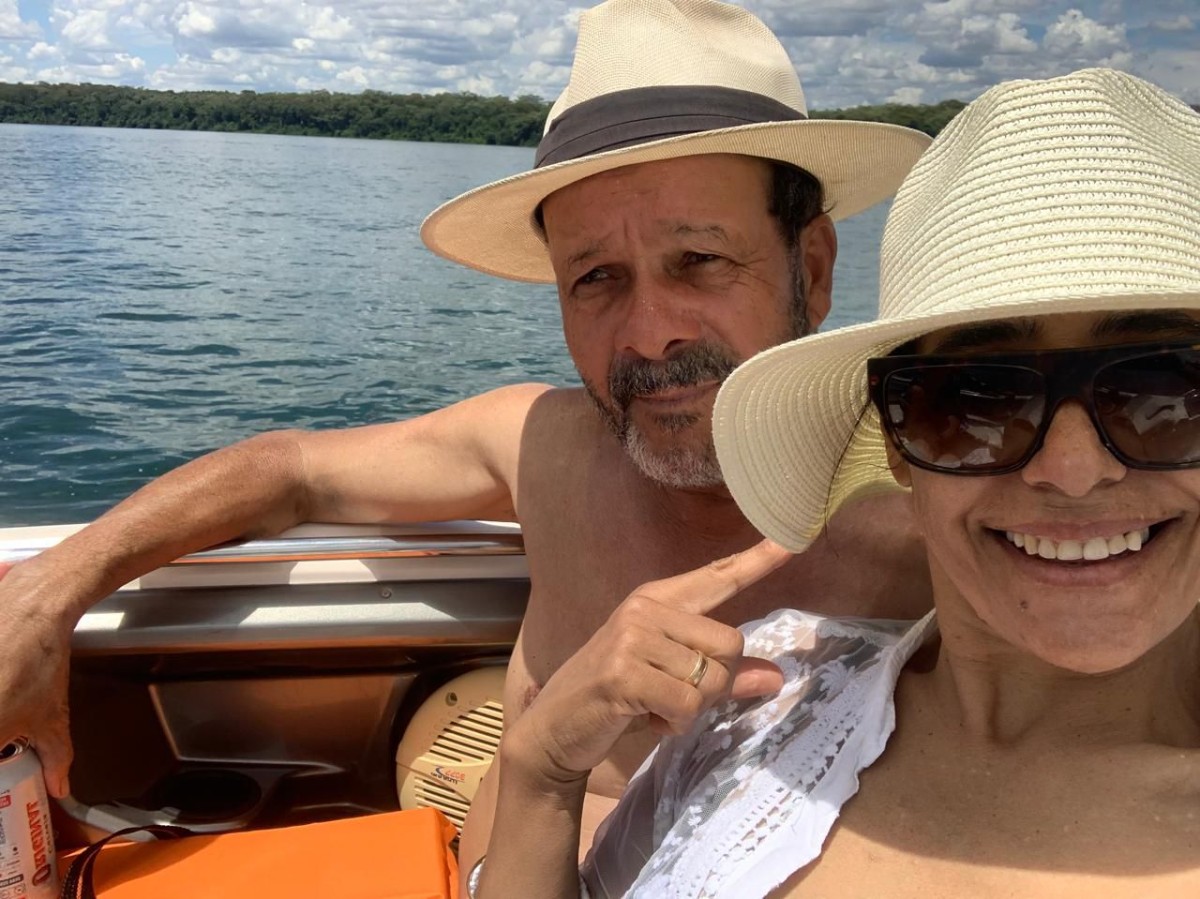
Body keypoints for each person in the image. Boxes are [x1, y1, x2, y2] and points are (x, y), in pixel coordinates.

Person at [0, 0, 933, 876]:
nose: (650, 333)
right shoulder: (547, 448)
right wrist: (51, 587)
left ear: (813, 268)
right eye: (596, 277)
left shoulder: (931, 528)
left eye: (700, 259)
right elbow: (294, 471)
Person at [476, 67, 1200, 898]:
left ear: (814, 267)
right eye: (977, 399)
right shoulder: (765, 694)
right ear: (894, 436)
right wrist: (539, 775)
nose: (1073, 471)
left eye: (1167, 392)